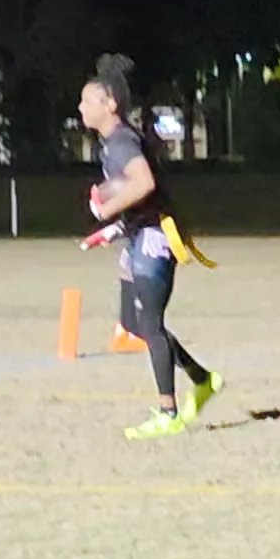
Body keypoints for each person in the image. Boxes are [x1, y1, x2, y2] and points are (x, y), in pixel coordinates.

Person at [82, 55, 220, 438]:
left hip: (154, 239)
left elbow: (144, 184)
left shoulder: (121, 142)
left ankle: (169, 412)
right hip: (137, 235)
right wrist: (111, 231)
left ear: (110, 104)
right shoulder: (113, 143)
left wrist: (105, 210)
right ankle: (202, 379)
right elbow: (140, 197)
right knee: (132, 323)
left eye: (87, 100)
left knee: (150, 325)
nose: (80, 107)